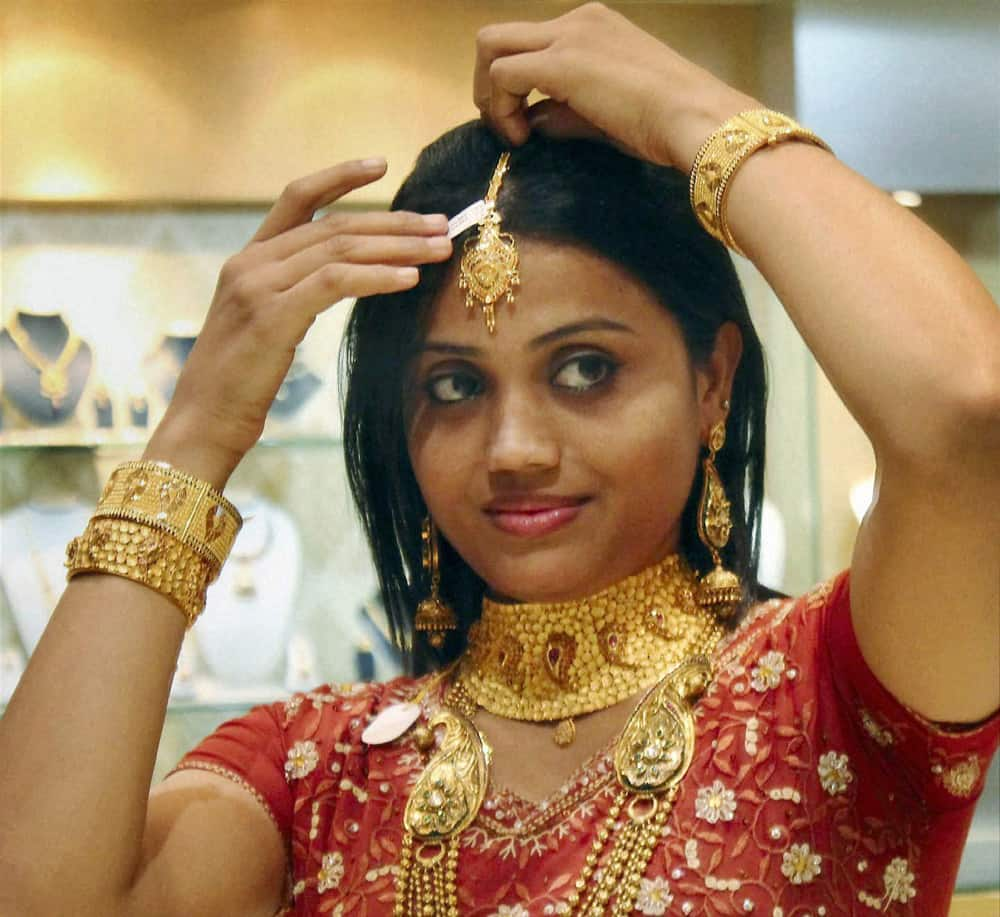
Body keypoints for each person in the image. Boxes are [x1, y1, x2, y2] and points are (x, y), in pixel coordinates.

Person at [1, 4, 998, 915]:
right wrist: (194, 435)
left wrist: (694, 110)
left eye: (585, 367)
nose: (514, 449)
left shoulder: (832, 696)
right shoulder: (313, 771)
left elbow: (965, 415)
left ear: (712, 383)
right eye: (452, 385)